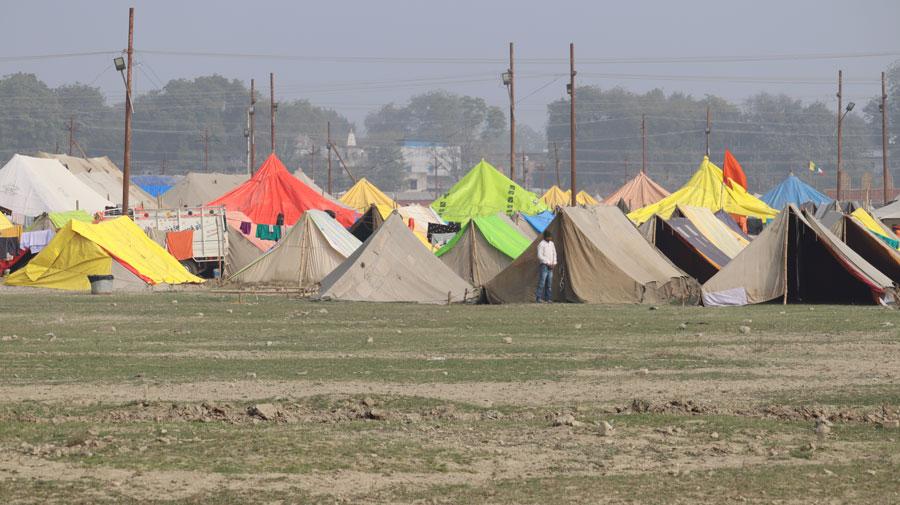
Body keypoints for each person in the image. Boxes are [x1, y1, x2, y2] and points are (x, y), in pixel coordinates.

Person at [536, 229, 557, 303]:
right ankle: (538, 298)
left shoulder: (552, 244)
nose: (550, 239)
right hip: (544, 265)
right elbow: (539, 255)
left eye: (550, 237)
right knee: (542, 282)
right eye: (548, 237)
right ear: (545, 237)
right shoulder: (541, 244)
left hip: (551, 266)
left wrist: (554, 263)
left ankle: (548, 298)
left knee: (549, 283)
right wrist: (547, 262)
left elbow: (554, 253)